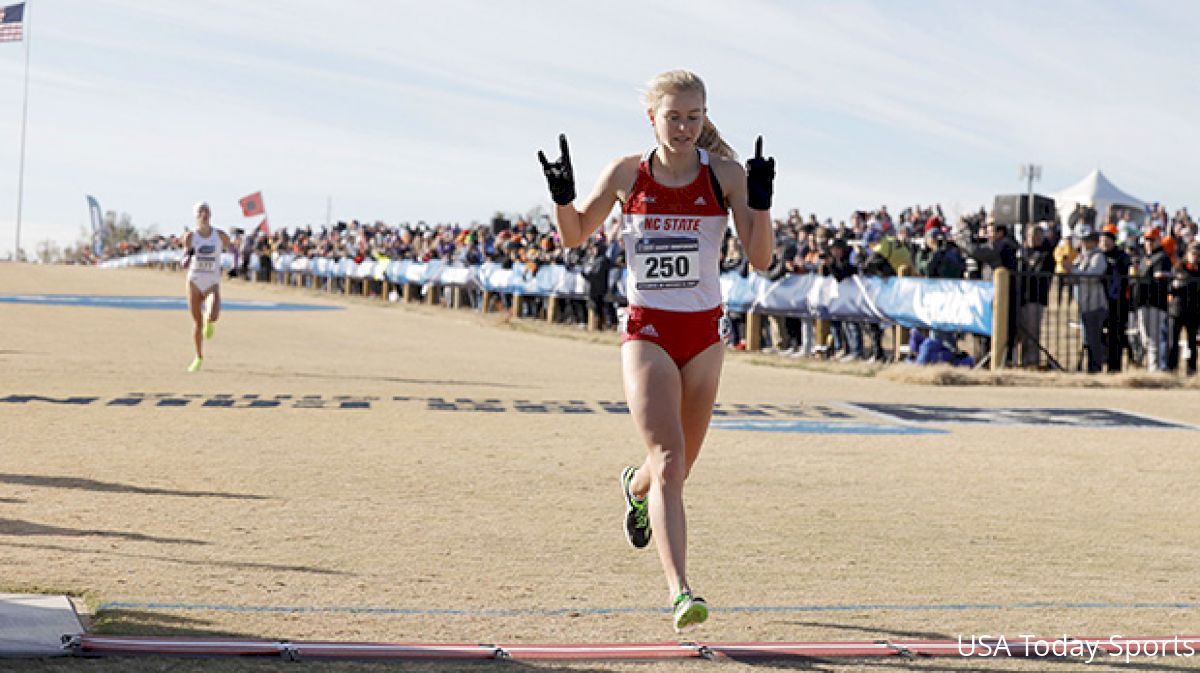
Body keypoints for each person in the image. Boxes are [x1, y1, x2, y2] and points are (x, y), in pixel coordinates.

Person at [537, 69, 773, 632]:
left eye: (695, 116)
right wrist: (562, 195)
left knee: (676, 467)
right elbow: (573, 235)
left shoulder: (726, 176)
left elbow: (760, 258)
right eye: (674, 116)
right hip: (647, 330)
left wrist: (760, 201)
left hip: (705, 335)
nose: (685, 127)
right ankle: (680, 591)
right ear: (652, 118)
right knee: (669, 458)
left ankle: (633, 488)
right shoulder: (626, 172)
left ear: (705, 116)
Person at [182, 202, 231, 372]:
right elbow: (184, 257)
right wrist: (187, 258)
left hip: (211, 281)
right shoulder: (190, 236)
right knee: (196, 322)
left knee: (213, 315)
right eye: (200, 212)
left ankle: (209, 321)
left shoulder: (220, 235)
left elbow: (231, 249)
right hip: (194, 281)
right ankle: (198, 356)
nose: (204, 215)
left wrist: (232, 264)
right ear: (196, 216)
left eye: (207, 212)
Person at [1133, 228, 1172, 371]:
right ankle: (1152, 366)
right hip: (1142, 301)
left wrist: (1162, 275)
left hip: (1156, 302)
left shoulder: (1162, 257)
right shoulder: (1144, 259)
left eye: (1152, 240)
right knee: (1145, 338)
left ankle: (1154, 369)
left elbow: (1164, 276)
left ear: (1158, 240)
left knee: (1154, 338)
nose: (1149, 243)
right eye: (1147, 240)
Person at [1072, 230, 1108, 373]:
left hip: (1095, 304)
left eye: (1087, 240)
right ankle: (1088, 367)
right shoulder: (1081, 257)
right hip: (1084, 305)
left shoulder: (1098, 257)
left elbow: (1093, 274)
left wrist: (1073, 271)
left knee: (1094, 339)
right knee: (1087, 338)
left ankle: (1095, 367)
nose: (1084, 243)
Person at [1167, 242, 1200, 375]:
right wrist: (1176, 284)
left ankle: (1191, 368)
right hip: (1177, 309)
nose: (1195, 257)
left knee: (1192, 342)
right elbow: (1171, 288)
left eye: (1197, 254)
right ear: (1187, 254)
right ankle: (1172, 368)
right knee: (1173, 341)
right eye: (1193, 254)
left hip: (1194, 310)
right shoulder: (1178, 268)